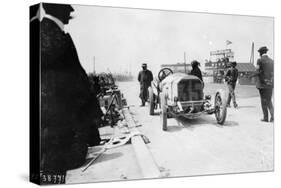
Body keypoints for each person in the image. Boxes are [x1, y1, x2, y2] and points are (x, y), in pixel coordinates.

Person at [31, 3, 101, 184]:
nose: (71, 13)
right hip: (56, 117)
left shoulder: (51, 32)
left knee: (55, 168)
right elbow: (65, 76)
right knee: (53, 169)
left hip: (59, 115)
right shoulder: (49, 33)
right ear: (61, 11)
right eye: (68, 9)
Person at [251, 46, 274, 122]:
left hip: (262, 84)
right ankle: (273, 116)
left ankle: (265, 118)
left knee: (263, 101)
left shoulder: (259, 60)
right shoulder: (272, 61)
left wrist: (252, 75)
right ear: (266, 52)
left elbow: (257, 70)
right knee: (269, 100)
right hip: (270, 84)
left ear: (260, 53)